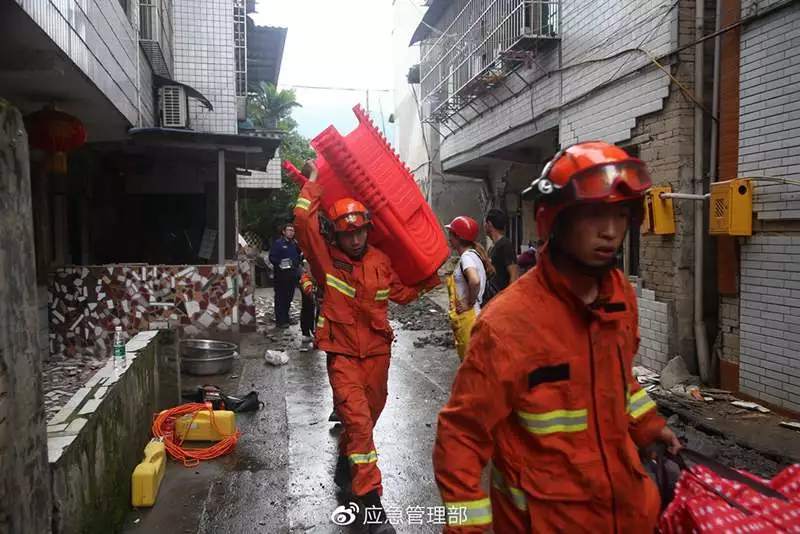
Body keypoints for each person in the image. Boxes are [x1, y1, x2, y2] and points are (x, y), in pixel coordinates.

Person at [432, 141, 681, 533]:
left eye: (619, 214)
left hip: (626, 514)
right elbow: (461, 437)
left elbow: (620, 381)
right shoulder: (507, 325)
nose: (611, 231)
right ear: (553, 220)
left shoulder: (619, 296)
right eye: (594, 215)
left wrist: (649, 426)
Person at [294, 160, 439, 534]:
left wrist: (427, 283)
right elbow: (303, 226)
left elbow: (401, 295)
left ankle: (347, 459)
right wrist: (312, 183)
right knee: (359, 423)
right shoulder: (327, 261)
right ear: (338, 236)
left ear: (368, 231)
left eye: (360, 232)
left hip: (377, 354)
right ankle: (371, 502)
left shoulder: (380, 261)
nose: (355, 239)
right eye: (348, 234)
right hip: (342, 354)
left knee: (368, 420)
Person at [445, 216, 493, 360]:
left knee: (471, 366)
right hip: (473, 316)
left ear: (458, 237)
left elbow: (475, 281)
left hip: (469, 318)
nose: (449, 238)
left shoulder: (467, 258)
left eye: (451, 234)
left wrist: (468, 302)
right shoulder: (474, 255)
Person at [268, 223, 302, 328]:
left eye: (292, 231)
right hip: (281, 276)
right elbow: (272, 258)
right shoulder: (278, 243)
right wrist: (281, 263)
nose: (291, 232)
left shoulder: (295, 244)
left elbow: (298, 257)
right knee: (280, 298)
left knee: (288, 297)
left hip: (292, 275)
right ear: (284, 232)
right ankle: (280, 321)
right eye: (289, 230)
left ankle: (286, 318)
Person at [484, 209, 518, 300]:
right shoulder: (493, 247)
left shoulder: (505, 245)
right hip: (493, 299)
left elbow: (514, 275)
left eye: (485, 223)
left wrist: (508, 299)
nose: (484, 226)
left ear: (489, 224)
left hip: (502, 299)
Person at [299, 261, 318, 352]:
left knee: (316, 311)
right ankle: (307, 332)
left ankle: (315, 333)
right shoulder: (309, 256)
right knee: (307, 309)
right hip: (309, 281)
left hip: (316, 281)